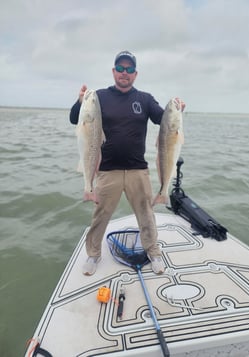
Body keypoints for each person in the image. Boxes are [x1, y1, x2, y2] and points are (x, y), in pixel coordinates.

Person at [69, 50, 185, 276]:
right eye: (120, 68)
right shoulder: (99, 97)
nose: (124, 73)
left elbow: (165, 121)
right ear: (113, 71)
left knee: (146, 214)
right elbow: (75, 119)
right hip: (106, 170)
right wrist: (79, 100)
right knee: (100, 216)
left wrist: (179, 110)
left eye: (129, 69)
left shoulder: (144, 99)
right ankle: (93, 255)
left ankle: (153, 251)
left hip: (137, 170)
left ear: (135, 74)